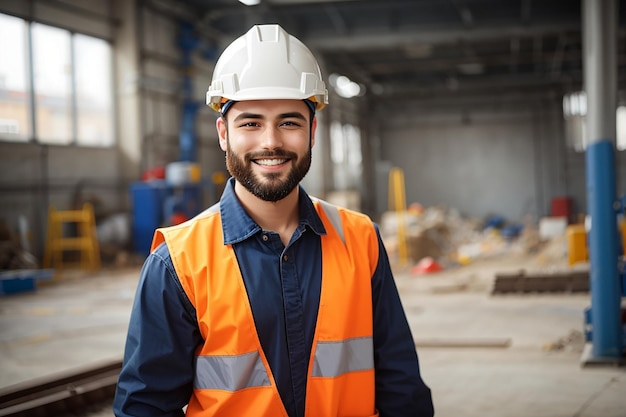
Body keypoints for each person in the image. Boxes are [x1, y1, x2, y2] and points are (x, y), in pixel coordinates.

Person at [113, 24, 433, 417]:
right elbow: (145, 406)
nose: (270, 142)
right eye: (250, 123)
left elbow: (400, 383)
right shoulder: (177, 262)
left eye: (289, 122)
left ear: (312, 131)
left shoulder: (360, 238)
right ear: (223, 134)